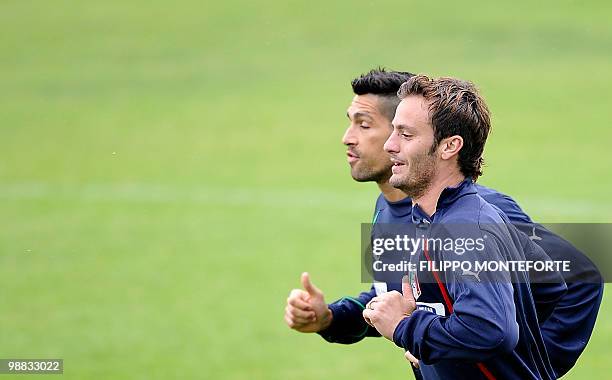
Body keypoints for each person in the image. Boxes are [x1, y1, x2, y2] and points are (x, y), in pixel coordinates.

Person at [284, 69, 602, 378]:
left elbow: (578, 277)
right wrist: (330, 318)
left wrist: (536, 363)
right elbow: (400, 296)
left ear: (446, 144)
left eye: (365, 125)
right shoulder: (390, 209)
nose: (348, 138)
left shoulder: (481, 215)